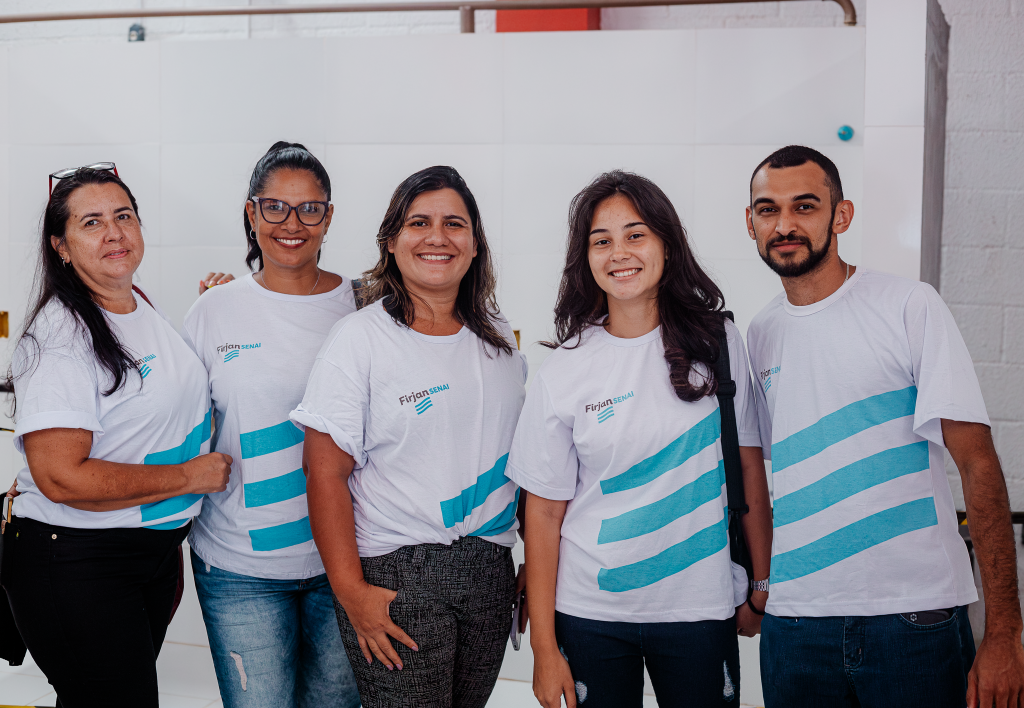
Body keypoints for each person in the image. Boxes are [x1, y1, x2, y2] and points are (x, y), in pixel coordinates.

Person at [745, 145, 1024, 708]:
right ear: (750, 223)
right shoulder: (761, 332)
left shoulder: (909, 305)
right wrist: (763, 587)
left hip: (913, 620)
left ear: (841, 216)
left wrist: (1004, 634)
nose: (785, 225)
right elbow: (777, 480)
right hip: (796, 624)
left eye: (805, 206)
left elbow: (977, 463)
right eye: (768, 209)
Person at [508, 171, 773, 708]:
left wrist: (762, 586)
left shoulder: (718, 342)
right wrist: (543, 647)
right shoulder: (565, 367)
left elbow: (748, 468)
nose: (619, 253)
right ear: (585, 257)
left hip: (700, 607)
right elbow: (544, 512)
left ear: (667, 246)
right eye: (601, 241)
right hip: (590, 612)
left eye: (635, 235)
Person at [292, 165, 526, 708]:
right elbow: (323, 472)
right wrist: (351, 592)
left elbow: (524, 459)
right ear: (392, 242)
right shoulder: (359, 340)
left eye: (454, 224)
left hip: (489, 566)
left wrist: (529, 564)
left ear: (474, 244)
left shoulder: (496, 336)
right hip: (397, 572)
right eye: (419, 222)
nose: (437, 237)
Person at [0, 166, 230, 706]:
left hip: (147, 552)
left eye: (123, 216)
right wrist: (188, 477)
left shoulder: (134, 303)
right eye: (92, 222)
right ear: (60, 246)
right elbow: (62, 478)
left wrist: (211, 310)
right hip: (77, 560)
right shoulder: (61, 338)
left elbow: (157, 400)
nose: (114, 233)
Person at [181, 142, 360, 708]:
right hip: (239, 569)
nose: (292, 223)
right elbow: (177, 420)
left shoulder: (365, 307)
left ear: (328, 217)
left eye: (310, 208)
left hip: (347, 562)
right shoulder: (213, 310)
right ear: (252, 213)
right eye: (275, 207)